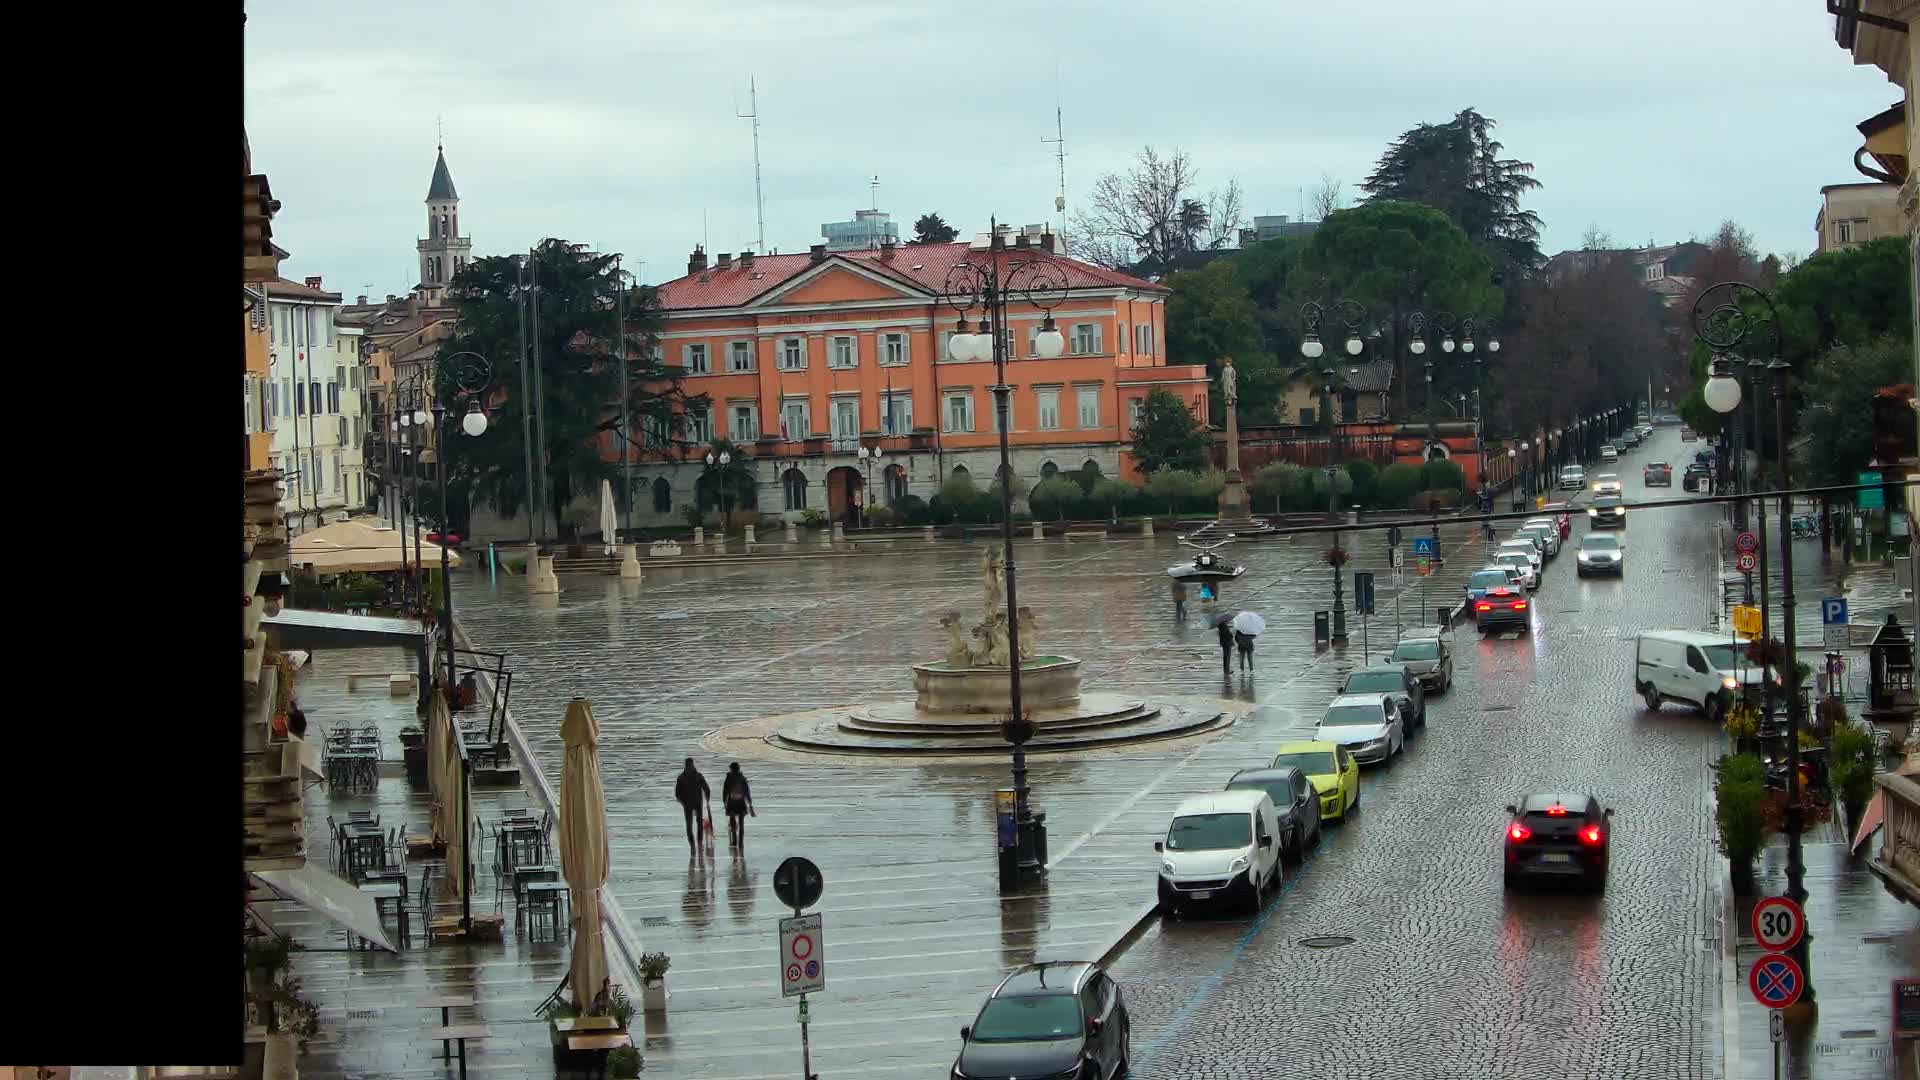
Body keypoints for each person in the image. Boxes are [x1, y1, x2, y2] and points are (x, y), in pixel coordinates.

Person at [673, 758, 712, 855]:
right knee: (699, 823)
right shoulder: (698, 776)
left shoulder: (681, 777)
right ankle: (699, 843)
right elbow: (706, 788)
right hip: (698, 802)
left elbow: (677, 794)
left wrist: (682, 802)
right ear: (693, 765)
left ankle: (692, 846)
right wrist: (707, 799)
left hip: (687, 804)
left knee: (689, 824)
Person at [721, 762, 755, 848]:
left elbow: (725, 791)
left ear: (731, 769)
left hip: (732, 802)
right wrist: (750, 804)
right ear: (738, 769)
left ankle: (734, 841)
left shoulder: (729, 778)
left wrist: (724, 802)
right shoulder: (742, 778)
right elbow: (747, 792)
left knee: (732, 821)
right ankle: (741, 842)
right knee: (741, 823)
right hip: (741, 802)